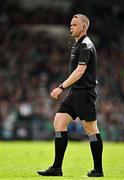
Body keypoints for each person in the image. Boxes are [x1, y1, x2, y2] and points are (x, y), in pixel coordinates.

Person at [37, 14, 104, 177]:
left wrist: (61, 87)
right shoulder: (77, 45)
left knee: (91, 129)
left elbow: (80, 71)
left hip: (85, 93)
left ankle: (98, 170)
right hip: (75, 92)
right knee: (59, 122)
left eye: (74, 25)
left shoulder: (86, 45)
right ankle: (56, 168)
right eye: (71, 24)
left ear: (84, 27)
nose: (71, 27)